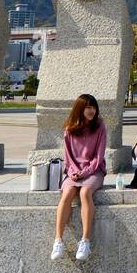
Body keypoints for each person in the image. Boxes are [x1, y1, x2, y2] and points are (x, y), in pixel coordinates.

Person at [52, 93, 107, 262]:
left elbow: (98, 157)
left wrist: (84, 173)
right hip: (73, 172)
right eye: (87, 107)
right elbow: (68, 157)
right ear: (79, 109)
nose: (91, 111)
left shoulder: (100, 127)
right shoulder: (69, 129)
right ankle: (58, 240)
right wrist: (72, 173)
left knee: (84, 193)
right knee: (67, 193)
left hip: (94, 171)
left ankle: (85, 241)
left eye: (93, 107)